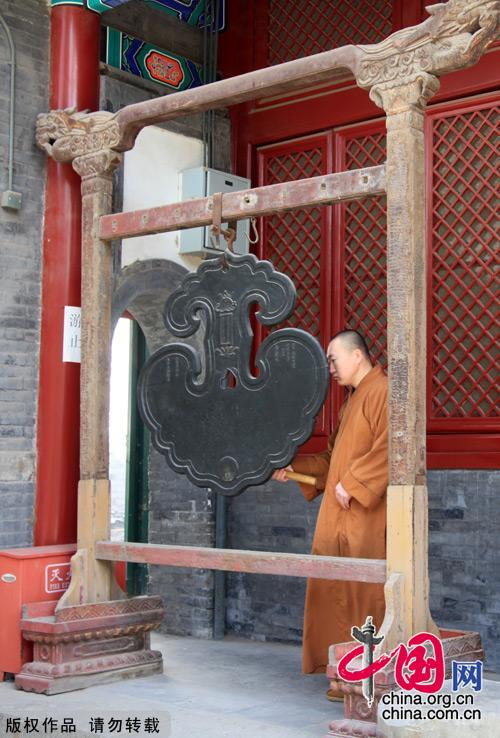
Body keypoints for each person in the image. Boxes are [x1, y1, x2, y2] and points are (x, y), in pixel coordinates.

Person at [273, 329, 388, 694]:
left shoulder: (382, 392)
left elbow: (393, 449)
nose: (331, 368)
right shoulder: (353, 400)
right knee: (332, 590)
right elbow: (331, 460)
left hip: (364, 521)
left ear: (356, 356)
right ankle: (344, 675)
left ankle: (368, 679)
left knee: (363, 596)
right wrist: (292, 469)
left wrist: (353, 484)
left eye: (333, 359)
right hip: (338, 518)